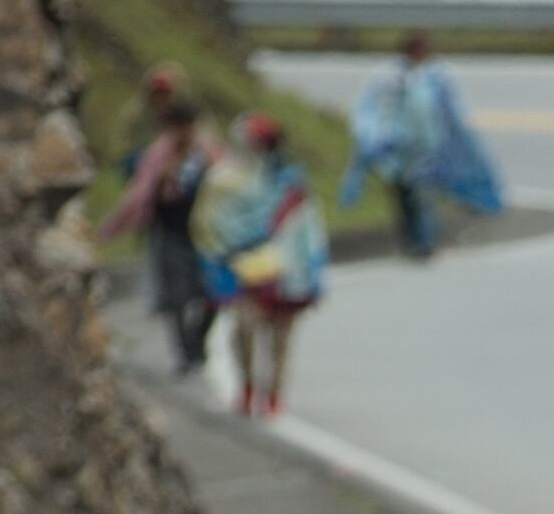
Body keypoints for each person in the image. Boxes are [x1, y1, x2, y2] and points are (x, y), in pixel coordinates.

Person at [188, 112, 327, 421]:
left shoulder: (289, 182)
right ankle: (249, 387)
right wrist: (221, 259)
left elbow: (307, 229)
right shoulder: (223, 180)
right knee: (244, 328)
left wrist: (312, 272)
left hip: (286, 269)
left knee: (281, 336)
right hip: (242, 266)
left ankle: (275, 394)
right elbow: (209, 225)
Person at [343, 32, 504, 262]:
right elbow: (372, 112)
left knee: (422, 197)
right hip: (397, 150)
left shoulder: (436, 77)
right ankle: (410, 241)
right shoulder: (390, 77)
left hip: (427, 151)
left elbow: (452, 116)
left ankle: (425, 242)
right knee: (402, 197)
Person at [96, 74, 212, 376]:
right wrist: (111, 228)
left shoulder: (207, 152)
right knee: (174, 296)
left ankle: (198, 340)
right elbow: (139, 193)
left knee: (210, 292)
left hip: (205, 234)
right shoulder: (157, 153)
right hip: (169, 229)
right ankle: (186, 351)